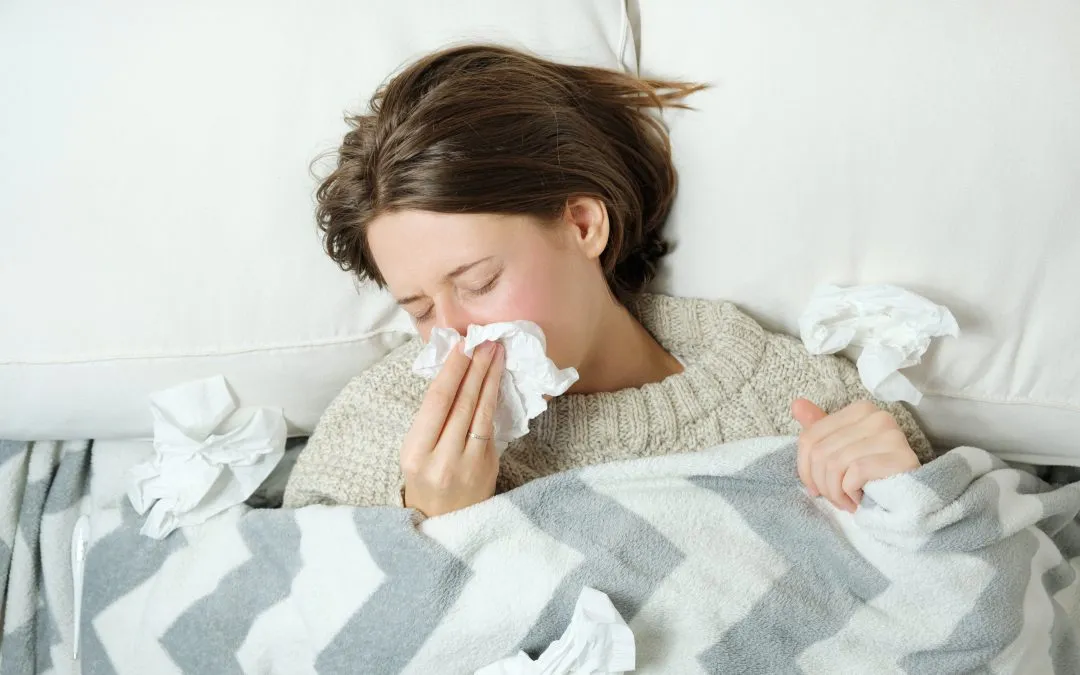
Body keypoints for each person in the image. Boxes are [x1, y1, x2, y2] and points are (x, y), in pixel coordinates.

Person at [283, 44, 934, 518]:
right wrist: (431, 515)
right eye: (419, 306)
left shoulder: (799, 398)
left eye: (477, 280)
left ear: (583, 224)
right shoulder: (378, 426)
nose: (453, 333)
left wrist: (909, 495)